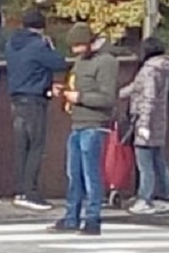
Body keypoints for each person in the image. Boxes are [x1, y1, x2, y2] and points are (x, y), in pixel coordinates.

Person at [48, 22, 119, 236]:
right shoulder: (81, 62)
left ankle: (92, 218)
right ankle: (72, 216)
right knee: (74, 174)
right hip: (78, 123)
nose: (75, 51)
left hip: (95, 125)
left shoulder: (106, 62)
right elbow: (76, 87)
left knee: (91, 174)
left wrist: (79, 98)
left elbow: (108, 98)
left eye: (78, 46)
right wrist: (64, 91)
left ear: (88, 42)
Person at [5, 8, 69, 212]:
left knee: (21, 147)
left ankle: (20, 191)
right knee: (35, 146)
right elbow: (59, 63)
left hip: (16, 100)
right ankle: (30, 192)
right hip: (34, 100)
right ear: (41, 28)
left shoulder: (11, 44)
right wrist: (50, 46)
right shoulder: (38, 46)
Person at [120, 37, 169, 215]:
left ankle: (145, 199)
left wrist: (143, 124)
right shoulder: (163, 68)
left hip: (146, 122)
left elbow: (148, 97)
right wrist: (122, 92)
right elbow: (139, 88)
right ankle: (167, 197)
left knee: (145, 164)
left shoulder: (149, 70)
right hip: (159, 120)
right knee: (159, 161)